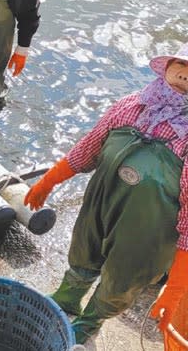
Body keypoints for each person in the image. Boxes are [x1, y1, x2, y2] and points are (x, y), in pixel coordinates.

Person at [24, 46, 188, 344]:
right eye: (180, 65)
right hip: (102, 202)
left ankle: (90, 321)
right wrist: (48, 181)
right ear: (167, 66)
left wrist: (175, 289)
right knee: (85, 250)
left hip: (149, 230)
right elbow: (87, 149)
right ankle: (68, 296)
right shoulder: (130, 106)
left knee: (120, 280)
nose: (184, 76)